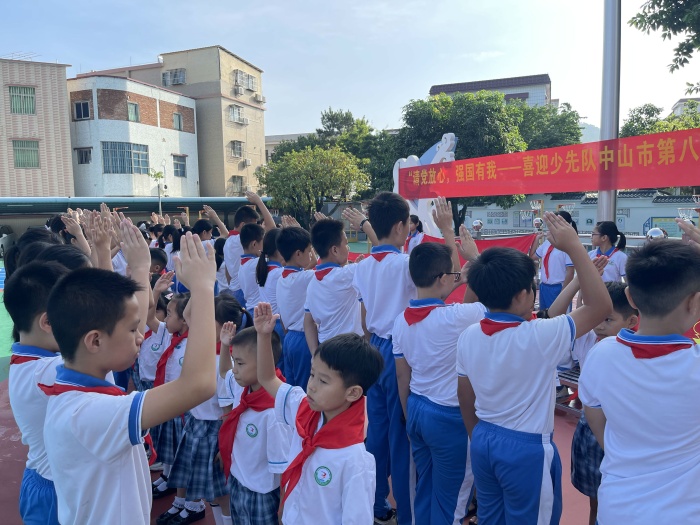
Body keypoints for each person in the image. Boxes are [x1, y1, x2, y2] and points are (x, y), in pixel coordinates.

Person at [42, 225, 217, 525]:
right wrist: (202, 289)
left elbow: (124, 314)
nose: (140, 336)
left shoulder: (80, 377)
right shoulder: (92, 413)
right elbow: (199, 384)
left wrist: (138, 268)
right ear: (95, 341)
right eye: (132, 330)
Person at [457, 212, 612, 525]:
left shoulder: (470, 334)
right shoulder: (539, 336)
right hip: (526, 448)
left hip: (484, 437)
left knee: (491, 516)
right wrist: (575, 248)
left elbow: (465, 397)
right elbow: (600, 308)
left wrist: (479, 435)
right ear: (522, 295)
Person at [579, 231, 700, 524]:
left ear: (630, 297)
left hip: (618, 507)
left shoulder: (602, 354)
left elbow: (595, 418)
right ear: (695, 302)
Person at [352, 192, 458, 525]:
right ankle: (408, 515)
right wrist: (448, 231)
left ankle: (375, 504)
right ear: (401, 226)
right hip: (402, 350)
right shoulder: (406, 263)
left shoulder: (362, 266)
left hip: (374, 349)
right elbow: (448, 277)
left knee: (376, 434)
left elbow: (364, 316)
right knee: (403, 441)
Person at [254, 302, 383, 524]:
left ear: (352, 393)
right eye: (312, 374)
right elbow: (267, 378)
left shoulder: (355, 460)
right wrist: (263, 336)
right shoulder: (303, 408)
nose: (311, 386)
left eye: (323, 381)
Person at [392, 240, 485, 525]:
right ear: (443, 278)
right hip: (449, 418)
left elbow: (402, 376)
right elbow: (492, 298)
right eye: (453, 275)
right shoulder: (457, 317)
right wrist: (475, 261)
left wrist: (408, 417)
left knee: (426, 488)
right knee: (452, 501)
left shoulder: (400, 321)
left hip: (416, 409)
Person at [157, 296, 240, 525]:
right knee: (209, 493)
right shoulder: (204, 348)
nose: (200, 324)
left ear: (226, 328)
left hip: (213, 430)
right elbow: (188, 314)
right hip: (196, 423)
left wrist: (224, 445)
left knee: (220, 494)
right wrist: (199, 288)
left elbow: (229, 407)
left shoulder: (227, 363)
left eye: (208, 320)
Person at [6, 262, 70, 525]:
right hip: (56, 492)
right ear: (48, 322)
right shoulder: (51, 370)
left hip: (40, 479)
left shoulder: (26, 361)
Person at [217, 324, 290, 525]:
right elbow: (224, 372)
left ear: (264, 363)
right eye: (235, 361)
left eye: (240, 363)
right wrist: (225, 346)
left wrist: (283, 507)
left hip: (261, 493)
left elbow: (283, 468)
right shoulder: (243, 386)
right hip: (238, 481)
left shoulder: (274, 412)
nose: (234, 369)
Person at [151, 292, 191, 500]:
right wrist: (156, 290)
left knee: (179, 450)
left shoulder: (190, 344)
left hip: (181, 406)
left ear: (184, 320)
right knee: (168, 446)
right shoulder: (171, 336)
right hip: (169, 400)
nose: (165, 319)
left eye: (169, 314)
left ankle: (182, 495)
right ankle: (167, 476)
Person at [304, 218, 363, 353]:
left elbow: (308, 322)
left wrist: (314, 353)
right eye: (346, 244)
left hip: (325, 348)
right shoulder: (346, 274)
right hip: (350, 349)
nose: (348, 248)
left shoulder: (313, 282)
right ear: (335, 250)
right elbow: (382, 259)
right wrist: (364, 224)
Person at [276, 226, 315, 389]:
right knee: (305, 389)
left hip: (289, 338)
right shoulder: (305, 277)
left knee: (292, 388)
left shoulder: (281, 279)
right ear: (298, 254)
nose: (311, 255)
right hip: (304, 339)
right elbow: (325, 270)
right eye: (309, 251)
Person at [224, 192, 277, 307]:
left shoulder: (228, 242)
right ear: (243, 226)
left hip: (234, 289)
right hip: (242, 292)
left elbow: (227, 271)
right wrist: (259, 202)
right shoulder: (239, 240)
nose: (257, 227)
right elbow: (272, 229)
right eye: (254, 225)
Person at [530, 211, 576, 309]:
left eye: (554, 222)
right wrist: (537, 239)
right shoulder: (547, 243)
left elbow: (570, 272)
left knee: (558, 316)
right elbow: (532, 256)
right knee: (544, 315)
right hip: (544, 287)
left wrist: (563, 293)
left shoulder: (568, 244)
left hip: (558, 287)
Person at [256, 228, 286, 347]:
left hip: (267, 322)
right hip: (278, 323)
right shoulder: (279, 273)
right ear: (279, 250)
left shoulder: (264, 268)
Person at [238, 223, 265, 313]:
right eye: (263, 243)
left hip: (250, 310)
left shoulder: (243, 265)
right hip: (258, 312)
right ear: (254, 244)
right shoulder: (256, 263)